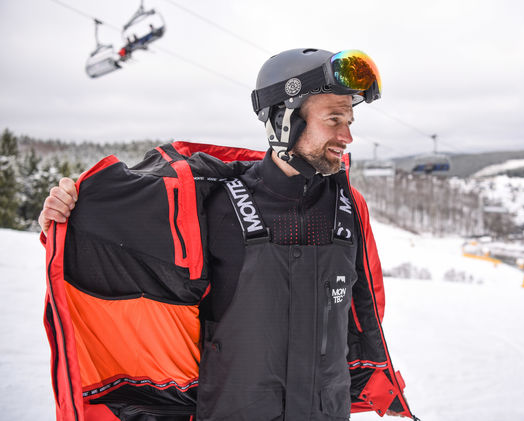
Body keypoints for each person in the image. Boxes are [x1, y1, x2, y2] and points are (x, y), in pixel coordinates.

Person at [39, 48, 414, 420]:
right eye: (334, 119)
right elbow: (109, 250)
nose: (347, 136)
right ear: (285, 119)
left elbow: (363, 311)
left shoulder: (348, 206)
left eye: (349, 120)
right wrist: (63, 218)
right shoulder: (214, 203)